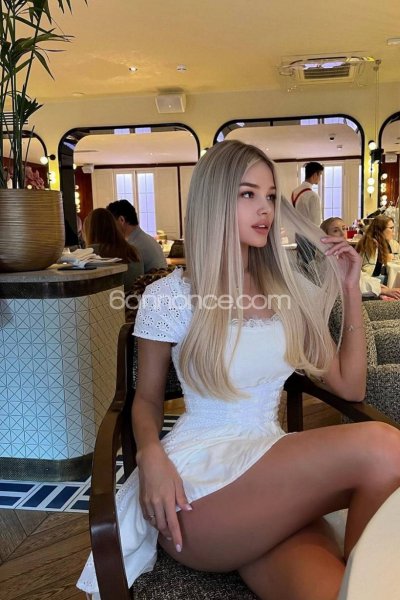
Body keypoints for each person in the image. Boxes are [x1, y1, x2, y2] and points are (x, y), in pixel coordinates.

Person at [78, 141, 400, 600]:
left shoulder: (288, 291)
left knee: (342, 592)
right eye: (248, 194)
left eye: (270, 196)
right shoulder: (170, 296)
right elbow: (145, 398)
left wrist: (350, 290)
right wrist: (150, 456)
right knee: (386, 448)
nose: (265, 208)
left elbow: (350, 386)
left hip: (270, 476)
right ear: (214, 200)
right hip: (198, 483)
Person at [82, 208, 144, 289]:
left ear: (89, 231)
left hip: (111, 296)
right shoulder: (133, 251)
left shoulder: (91, 253)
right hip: (135, 296)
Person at [106, 199, 167, 273]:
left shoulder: (132, 247)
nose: (111, 228)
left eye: (112, 223)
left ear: (121, 220)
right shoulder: (148, 239)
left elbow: (130, 277)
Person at [356, 215, 400, 300]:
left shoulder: (388, 242)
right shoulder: (370, 244)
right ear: (380, 229)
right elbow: (368, 272)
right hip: (368, 282)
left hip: (374, 280)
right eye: (391, 228)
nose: (393, 231)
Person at [291, 161, 324, 225]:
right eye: (320, 175)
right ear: (315, 175)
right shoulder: (313, 196)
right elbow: (316, 223)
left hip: (295, 229)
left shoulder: (294, 193)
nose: (320, 178)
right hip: (308, 230)